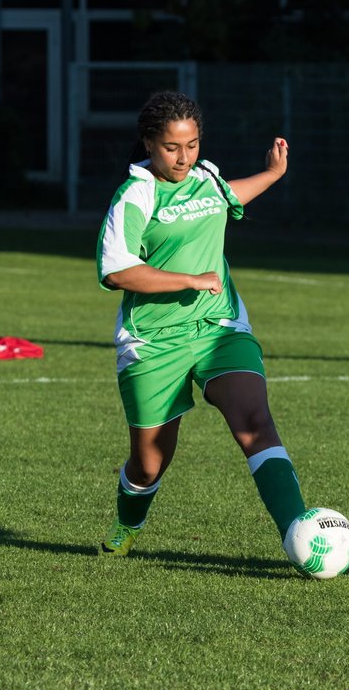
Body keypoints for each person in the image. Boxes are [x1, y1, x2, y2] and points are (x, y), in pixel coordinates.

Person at [94, 90, 306, 557]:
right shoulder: (134, 194)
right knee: (149, 464)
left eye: (192, 145)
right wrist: (187, 278)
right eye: (172, 147)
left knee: (255, 423)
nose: (184, 157)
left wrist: (271, 174)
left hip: (218, 326)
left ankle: (300, 532)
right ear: (149, 142)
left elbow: (228, 195)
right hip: (153, 340)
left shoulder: (206, 178)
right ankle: (128, 521)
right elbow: (115, 270)